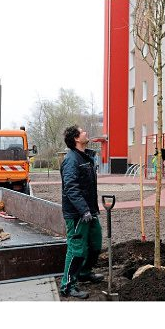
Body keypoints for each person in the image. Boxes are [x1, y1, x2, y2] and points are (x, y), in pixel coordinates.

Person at [59, 125, 104, 299]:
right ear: (77, 138)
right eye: (82, 131)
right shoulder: (71, 159)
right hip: (77, 214)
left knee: (95, 244)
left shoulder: (85, 157)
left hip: (89, 211)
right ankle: (68, 285)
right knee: (77, 249)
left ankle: (84, 272)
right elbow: (70, 187)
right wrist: (83, 210)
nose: (86, 132)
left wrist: (90, 210)